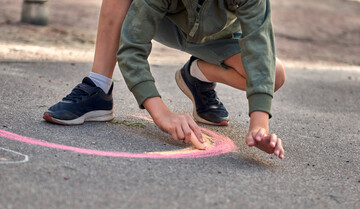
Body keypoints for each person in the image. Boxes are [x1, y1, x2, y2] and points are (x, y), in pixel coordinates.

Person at [44, 0, 286, 159]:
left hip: (219, 38)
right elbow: (132, 49)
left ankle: (198, 74)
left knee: (274, 75)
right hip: (165, 23)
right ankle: (98, 87)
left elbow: (259, 49)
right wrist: (161, 113)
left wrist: (259, 125)